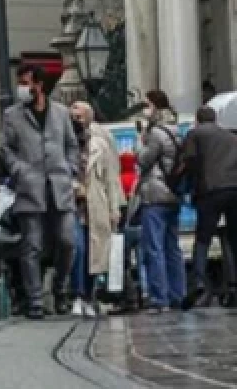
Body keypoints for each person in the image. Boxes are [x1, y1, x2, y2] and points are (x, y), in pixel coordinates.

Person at [1, 63, 80, 320]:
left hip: (59, 186)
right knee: (31, 245)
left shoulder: (60, 113)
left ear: (39, 85)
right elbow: (6, 149)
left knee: (67, 240)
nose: (22, 88)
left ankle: (61, 289)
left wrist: (70, 168)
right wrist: (18, 170)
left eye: (26, 83)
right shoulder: (12, 115)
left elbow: (72, 144)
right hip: (30, 187)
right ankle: (35, 298)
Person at [180, 104, 237, 310]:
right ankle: (233, 284)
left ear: (197, 119)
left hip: (210, 191)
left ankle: (199, 283)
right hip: (233, 189)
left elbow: (190, 161)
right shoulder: (231, 137)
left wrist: (186, 183)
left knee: (203, 238)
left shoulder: (195, 134)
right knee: (231, 237)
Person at [71, 101, 124, 317]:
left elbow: (112, 178)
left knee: (95, 254)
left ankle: (88, 296)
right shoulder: (65, 142)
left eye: (79, 117)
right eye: (73, 117)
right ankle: (77, 294)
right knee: (78, 249)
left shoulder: (101, 143)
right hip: (72, 205)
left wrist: (115, 209)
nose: (76, 121)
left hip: (95, 203)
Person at [135, 89, 186, 312]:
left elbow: (144, 159)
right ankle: (178, 294)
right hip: (173, 194)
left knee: (154, 248)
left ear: (155, 106)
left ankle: (159, 298)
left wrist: (139, 140)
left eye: (146, 105)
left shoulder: (156, 133)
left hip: (155, 194)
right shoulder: (176, 130)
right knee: (172, 248)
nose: (144, 110)